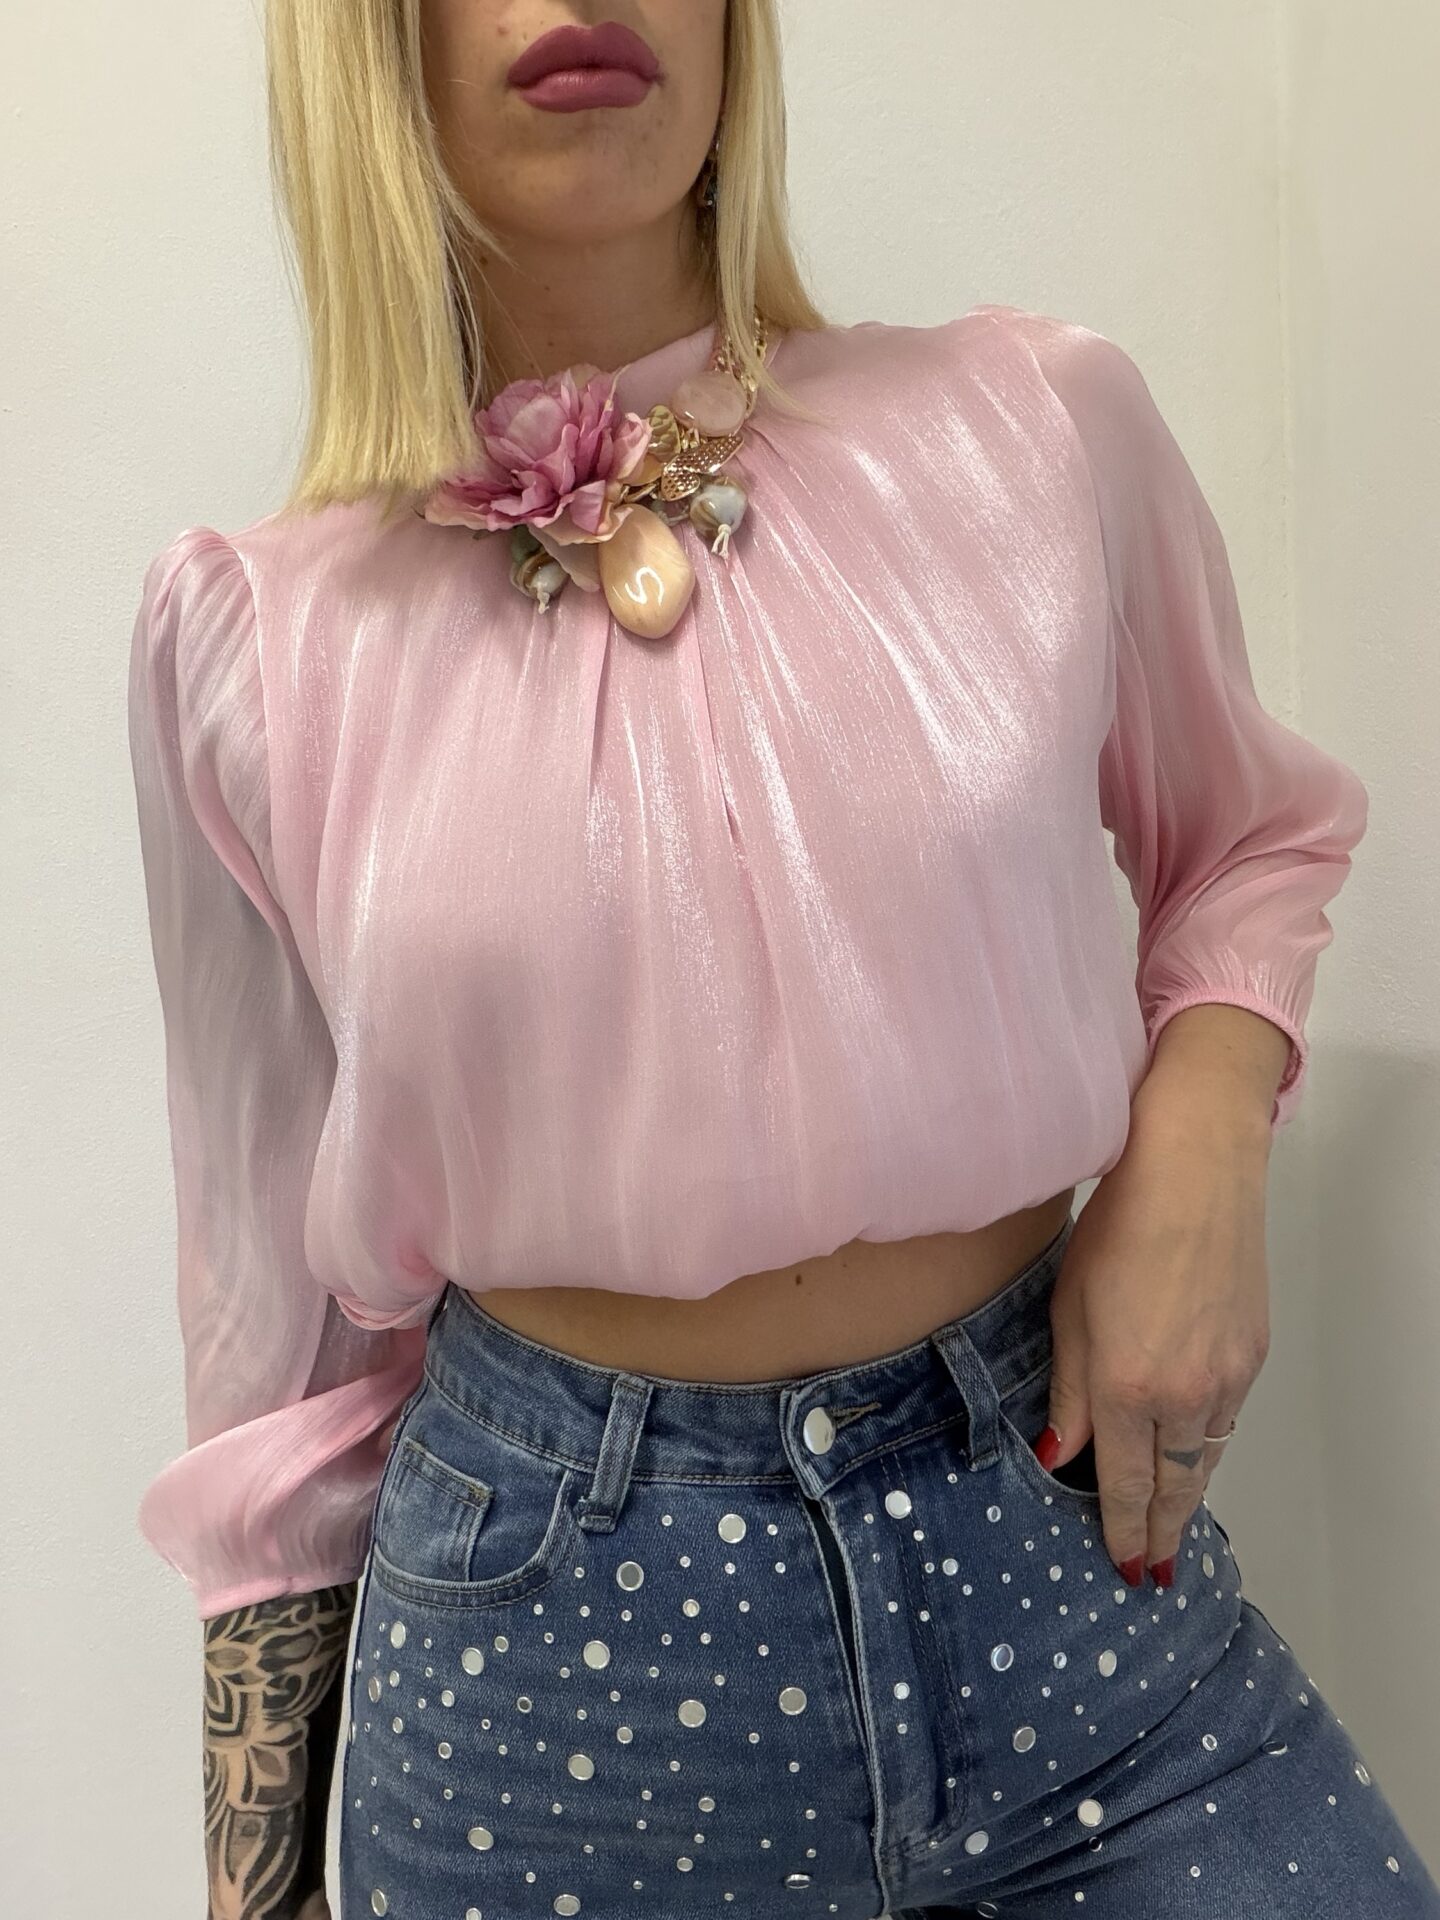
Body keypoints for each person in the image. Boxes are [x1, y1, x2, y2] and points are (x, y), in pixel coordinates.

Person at [125, 3, 1438, 1916]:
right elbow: (280, 1356)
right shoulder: (257, 641)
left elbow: (1248, 835)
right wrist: (252, 1892)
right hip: (549, 1705)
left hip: (1076, 1580)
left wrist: (1203, 1143)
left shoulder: (1033, 428)